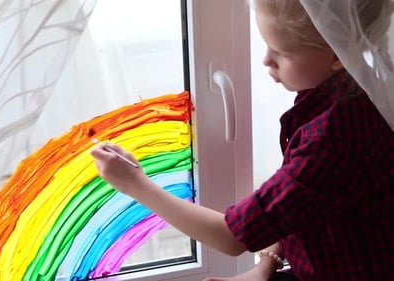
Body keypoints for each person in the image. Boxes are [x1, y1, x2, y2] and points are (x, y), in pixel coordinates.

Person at [90, 0, 394, 280]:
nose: (266, 61)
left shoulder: (335, 135)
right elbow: (297, 205)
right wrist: (265, 267)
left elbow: (231, 237)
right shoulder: (347, 92)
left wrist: (135, 184)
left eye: (282, 52)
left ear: (335, 55)